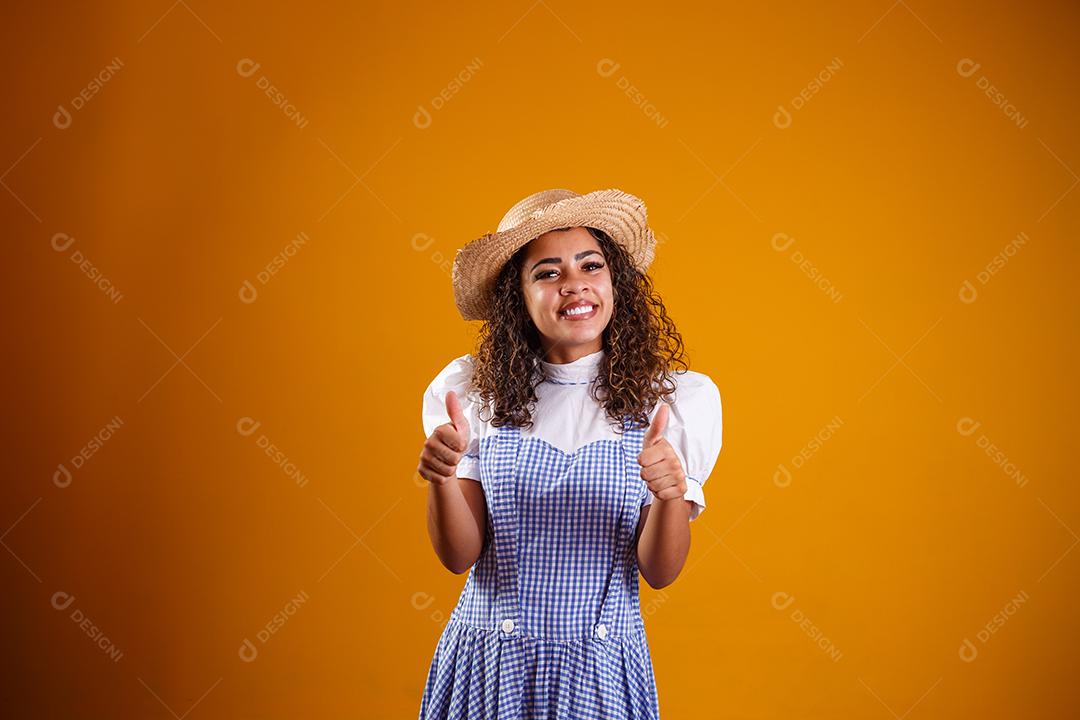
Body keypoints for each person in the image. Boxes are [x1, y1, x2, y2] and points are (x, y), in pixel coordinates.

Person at [415, 188, 723, 719]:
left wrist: (671, 494)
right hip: (489, 663)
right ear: (519, 295)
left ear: (615, 282)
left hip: (601, 670)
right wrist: (442, 478)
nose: (574, 284)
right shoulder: (473, 392)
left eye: (590, 265)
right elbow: (458, 557)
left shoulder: (672, 401)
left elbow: (660, 571)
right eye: (548, 272)